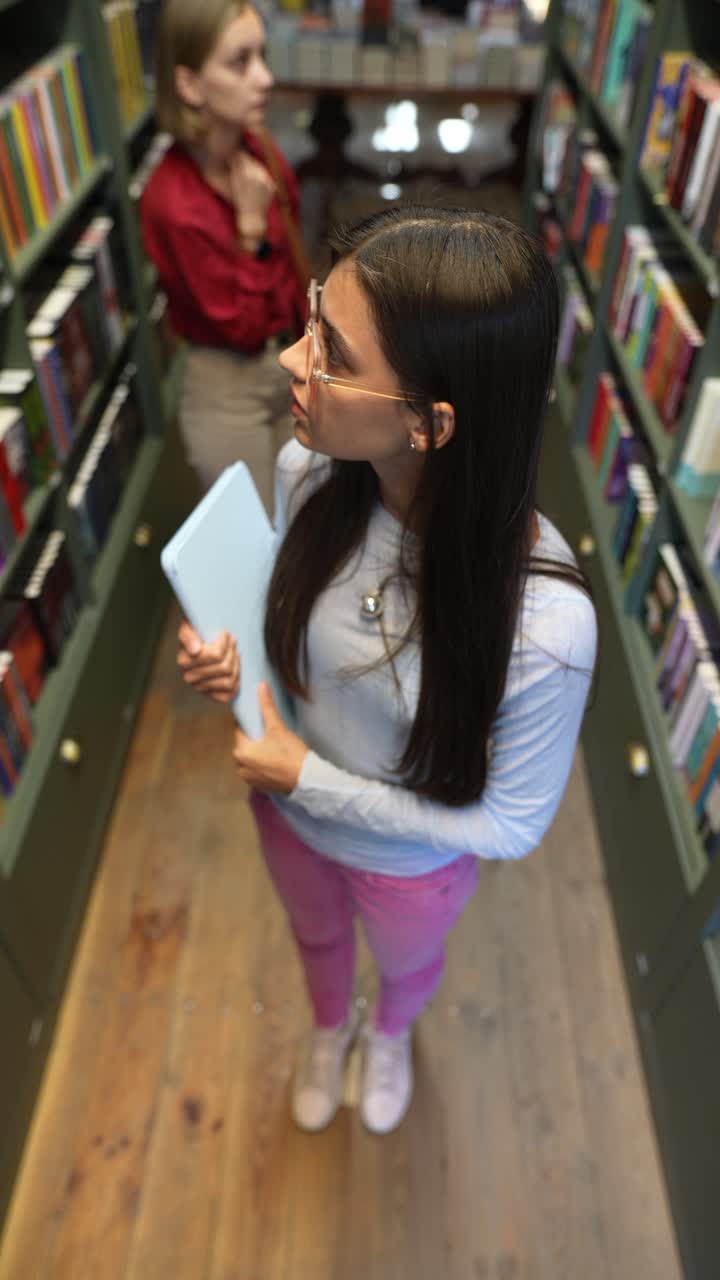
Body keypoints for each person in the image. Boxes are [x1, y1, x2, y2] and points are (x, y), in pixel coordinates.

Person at [176, 206, 598, 1136]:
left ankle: (393, 1032)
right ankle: (331, 1026)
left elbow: (513, 823)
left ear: (429, 423)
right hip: (287, 807)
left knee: (406, 967)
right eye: (313, 319)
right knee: (315, 936)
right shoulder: (309, 471)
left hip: (409, 865)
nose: (292, 359)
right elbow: (294, 621)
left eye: (333, 352)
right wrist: (233, 657)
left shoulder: (548, 626)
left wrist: (311, 779)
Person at [140, 0, 306, 514]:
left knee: (306, 524)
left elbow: (292, 259)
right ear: (189, 86)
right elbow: (240, 325)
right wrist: (251, 229)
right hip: (228, 388)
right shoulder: (172, 202)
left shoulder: (257, 148)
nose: (265, 78)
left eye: (262, 56)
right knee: (259, 543)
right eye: (240, 63)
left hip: (292, 363)